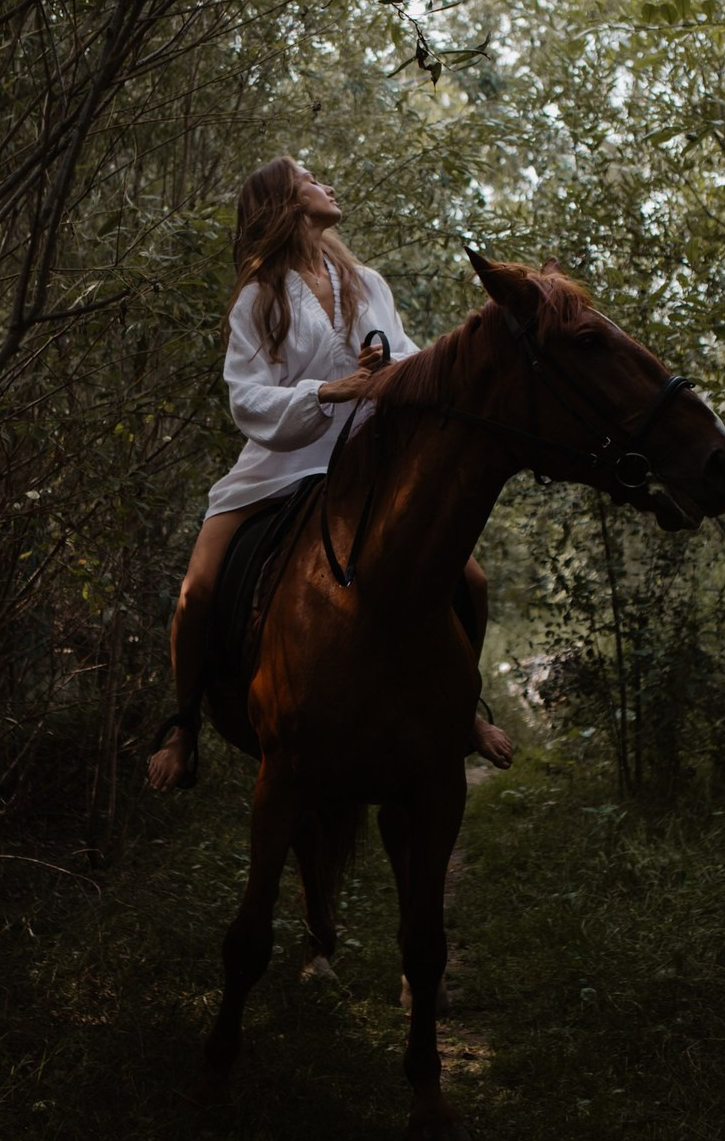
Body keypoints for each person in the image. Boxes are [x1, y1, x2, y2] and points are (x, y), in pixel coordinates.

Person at [147, 156, 513, 791]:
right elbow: (247, 397)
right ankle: (183, 727)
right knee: (196, 593)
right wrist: (328, 391)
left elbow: (406, 357)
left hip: (366, 461)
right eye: (310, 179)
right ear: (284, 203)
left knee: (471, 581)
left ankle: (464, 712)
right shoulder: (258, 301)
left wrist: (387, 368)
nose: (327, 184)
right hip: (280, 463)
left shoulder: (365, 281)